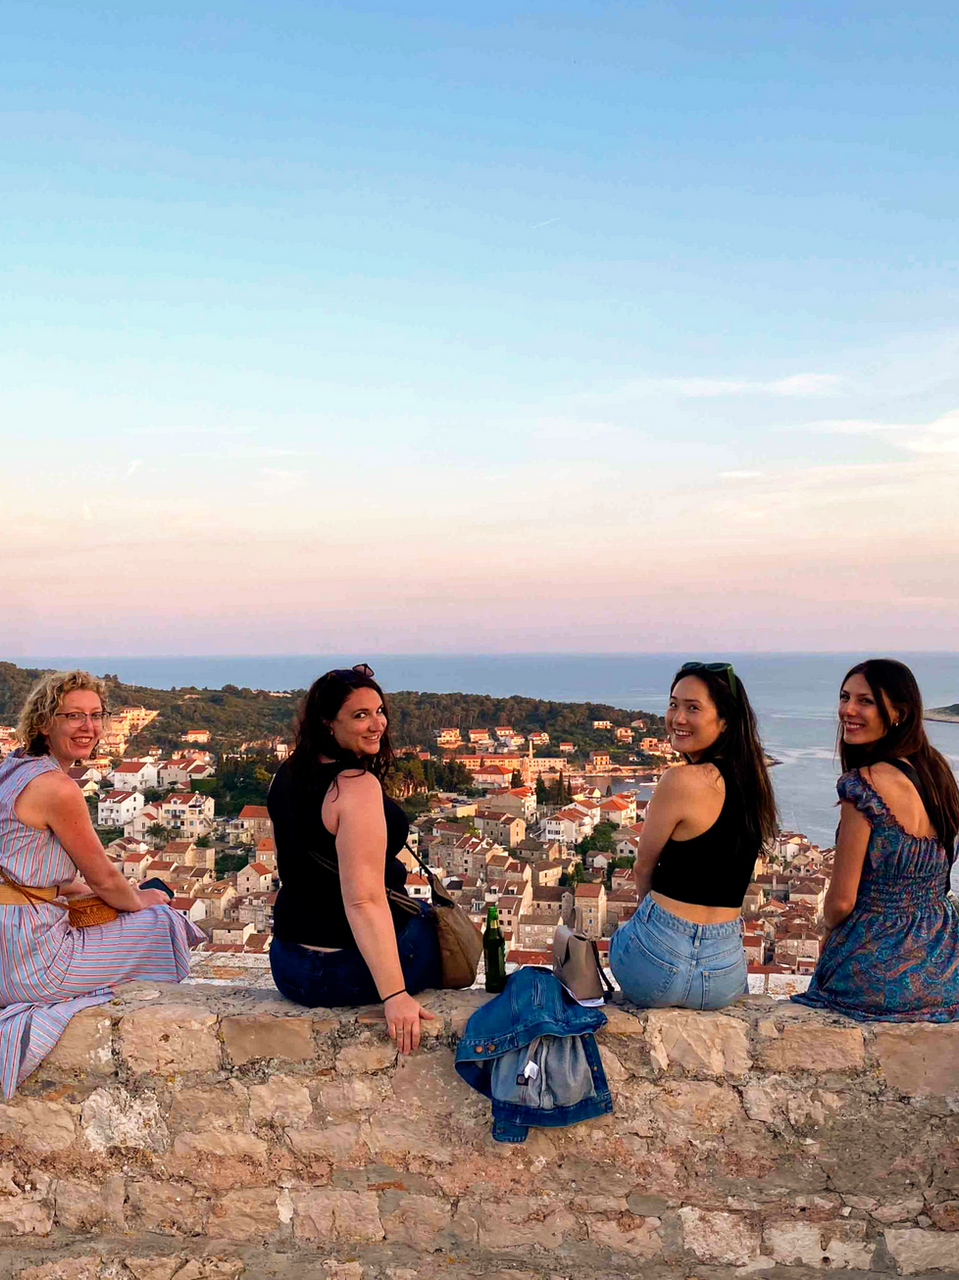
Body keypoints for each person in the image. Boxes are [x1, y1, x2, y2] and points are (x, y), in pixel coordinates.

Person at [0, 670, 204, 1098]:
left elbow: (22, 864)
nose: (89, 727)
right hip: (31, 964)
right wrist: (144, 899)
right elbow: (106, 880)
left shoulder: (11, 769)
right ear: (44, 722)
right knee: (163, 922)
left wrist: (72, 890)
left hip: (8, 943)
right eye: (73, 715)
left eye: (96, 716)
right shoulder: (57, 788)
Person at [268, 664, 441, 1053]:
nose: (377, 724)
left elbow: (292, 862)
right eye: (361, 715)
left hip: (288, 965)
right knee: (439, 930)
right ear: (328, 723)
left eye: (379, 711)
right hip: (344, 971)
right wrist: (394, 995)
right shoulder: (354, 787)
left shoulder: (287, 773)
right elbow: (363, 900)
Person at [793, 658, 959, 1021]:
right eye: (845, 697)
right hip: (946, 962)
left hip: (875, 970)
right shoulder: (938, 773)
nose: (847, 710)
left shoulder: (863, 787)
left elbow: (841, 901)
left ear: (899, 713)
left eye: (865, 701)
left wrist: (826, 936)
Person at [609, 661, 777, 1010]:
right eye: (673, 705)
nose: (678, 718)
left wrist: (650, 928)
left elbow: (643, 868)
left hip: (655, 965)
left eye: (693, 708)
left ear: (725, 721)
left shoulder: (679, 780)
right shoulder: (755, 786)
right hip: (723, 976)